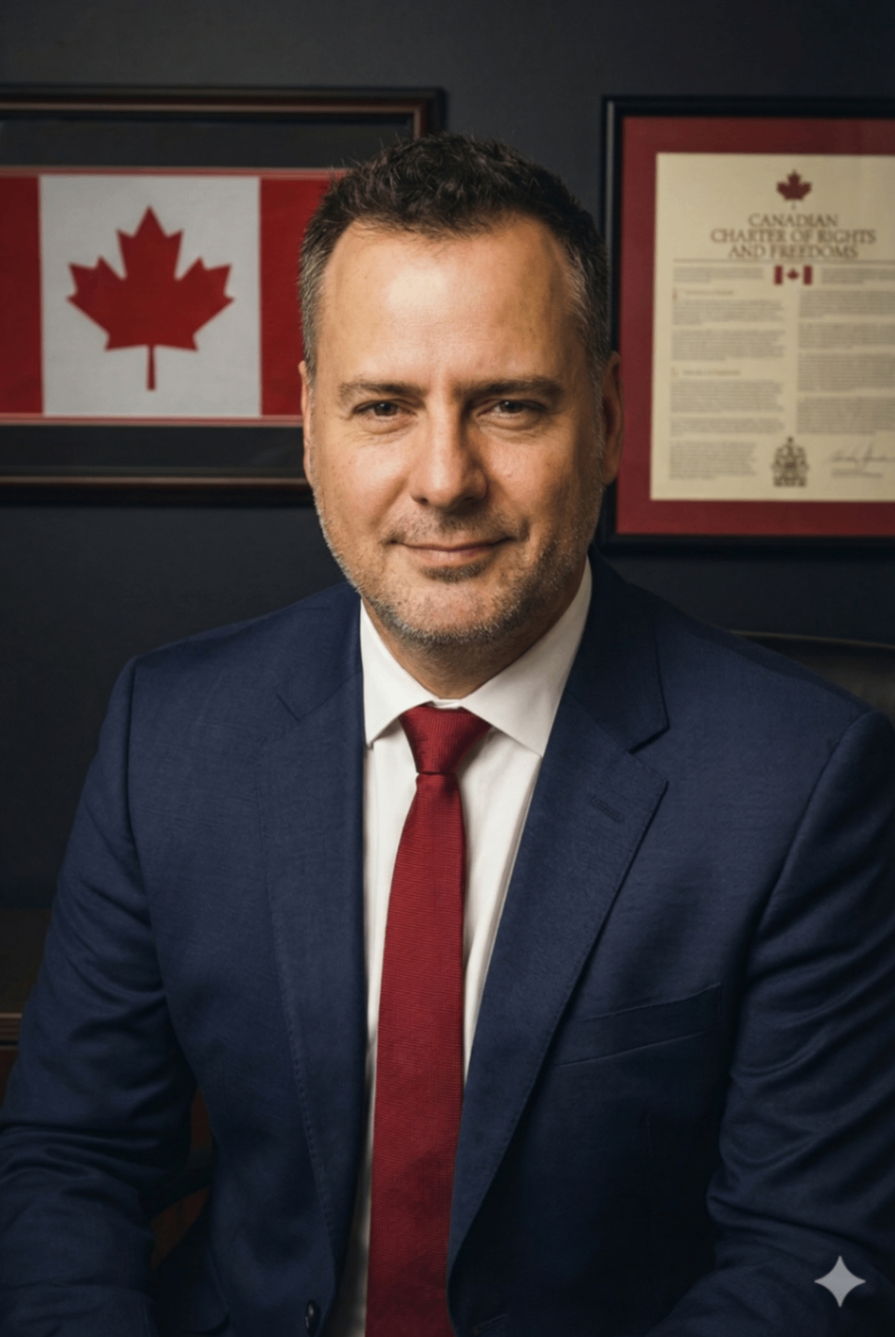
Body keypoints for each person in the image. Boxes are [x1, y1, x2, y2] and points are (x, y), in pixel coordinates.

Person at [2, 133, 895, 1337]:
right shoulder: (169, 729)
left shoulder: (799, 778)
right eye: (382, 406)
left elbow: (814, 1249)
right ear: (311, 424)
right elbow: (67, 1159)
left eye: (509, 404)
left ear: (612, 419)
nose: (444, 477)